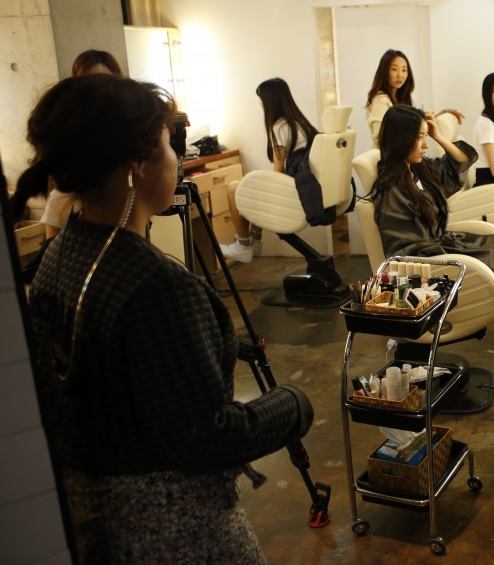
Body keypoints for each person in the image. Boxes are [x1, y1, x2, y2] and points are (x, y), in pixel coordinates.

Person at [10, 74, 313, 563]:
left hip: (94, 510)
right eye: (167, 146)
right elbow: (203, 437)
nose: (177, 159)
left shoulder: (62, 254)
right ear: (136, 167)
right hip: (171, 526)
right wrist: (292, 406)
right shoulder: (153, 285)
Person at [368, 103, 494, 284]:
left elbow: (463, 160)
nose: (426, 144)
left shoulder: (421, 170)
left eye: (426, 136)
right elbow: (408, 252)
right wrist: (458, 256)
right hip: (443, 262)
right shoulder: (391, 191)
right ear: (400, 138)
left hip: (451, 246)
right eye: (419, 137)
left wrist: (438, 136)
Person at [221, 77, 323, 263]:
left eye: (262, 99)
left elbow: (278, 170)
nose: (260, 104)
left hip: (294, 192)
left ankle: (243, 245)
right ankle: (255, 241)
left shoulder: (279, 127)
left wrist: (258, 186)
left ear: (270, 101)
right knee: (250, 187)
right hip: (304, 187)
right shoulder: (300, 123)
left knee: (234, 188)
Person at [39, 50, 126, 239]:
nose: (99, 90)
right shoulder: (67, 128)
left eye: (106, 81)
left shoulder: (127, 128)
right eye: (90, 81)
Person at [364, 49, 463, 147]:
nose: (400, 75)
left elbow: (412, 127)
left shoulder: (399, 98)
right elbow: (382, 139)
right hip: (390, 159)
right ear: (384, 71)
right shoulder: (380, 100)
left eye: (404, 70)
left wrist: (442, 113)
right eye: (394, 69)